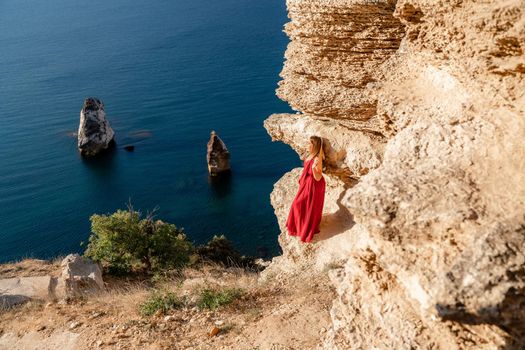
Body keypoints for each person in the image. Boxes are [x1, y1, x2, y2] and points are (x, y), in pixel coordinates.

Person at [286, 135, 326, 243]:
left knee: (300, 205)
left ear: (314, 145)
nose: (307, 145)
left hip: (313, 185)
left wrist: (313, 169)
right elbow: (304, 161)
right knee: (299, 205)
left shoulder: (317, 158)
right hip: (306, 184)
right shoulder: (310, 155)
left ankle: (305, 229)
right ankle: (299, 227)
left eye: (309, 143)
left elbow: (318, 177)